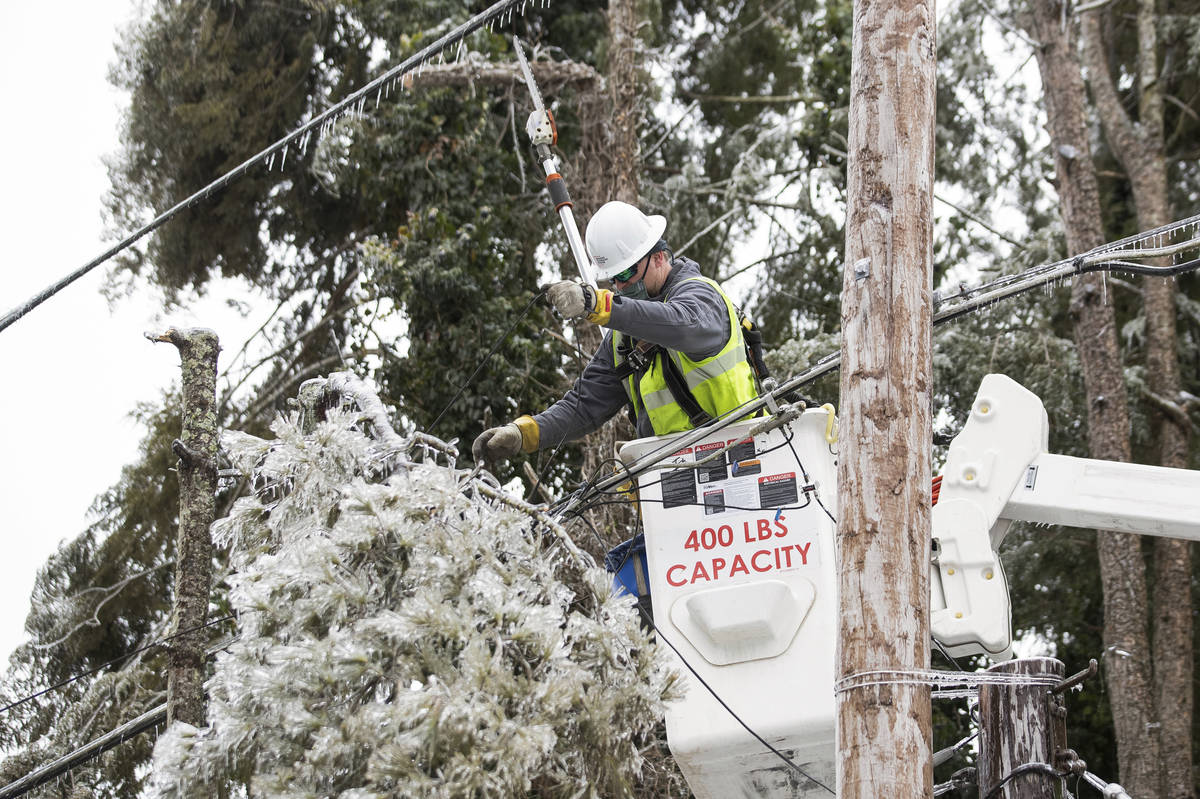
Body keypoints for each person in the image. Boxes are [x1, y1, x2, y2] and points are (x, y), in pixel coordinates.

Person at [472, 200, 760, 463]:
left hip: (744, 457)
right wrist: (524, 433)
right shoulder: (623, 340)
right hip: (676, 477)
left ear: (659, 257)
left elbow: (681, 326)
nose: (621, 286)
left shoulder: (701, 296)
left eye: (626, 274)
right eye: (614, 279)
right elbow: (584, 405)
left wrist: (596, 303)